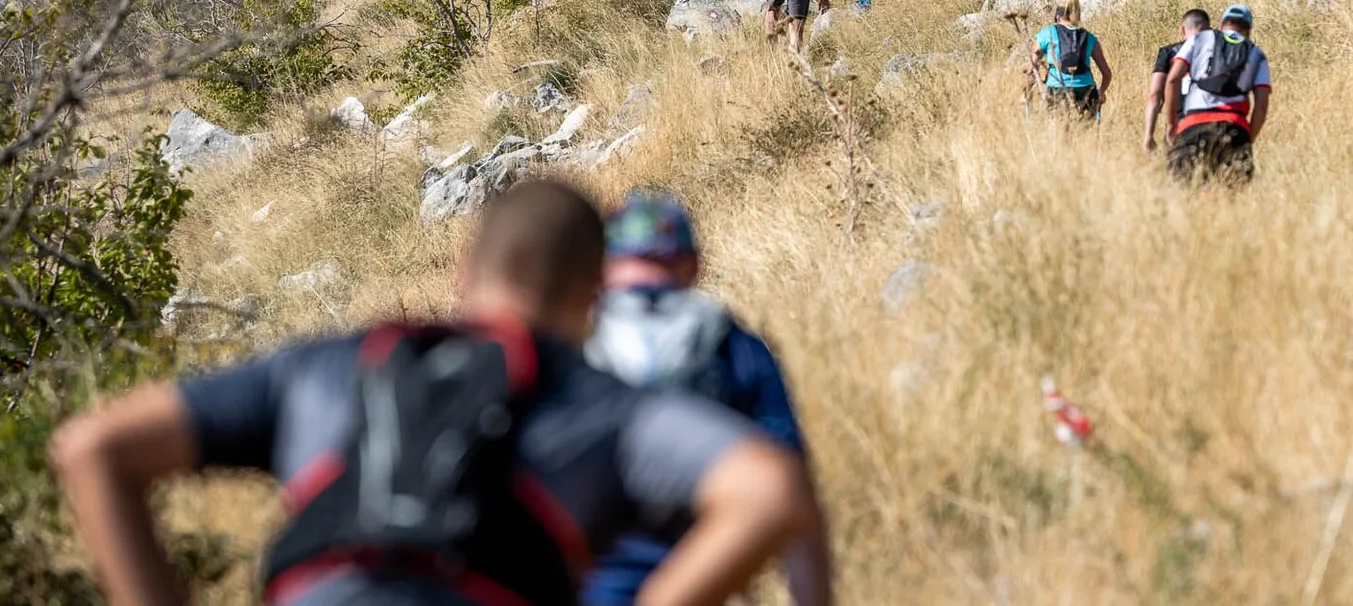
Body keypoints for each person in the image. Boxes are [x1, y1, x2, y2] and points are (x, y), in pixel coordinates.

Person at [49, 180, 820, 606]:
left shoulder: (323, 367)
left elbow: (92, 448)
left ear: (462, 268)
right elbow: (771, 491)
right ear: (592, 297)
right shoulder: (599, 406)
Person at [583, 194, 833, 606]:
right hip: (709, 574)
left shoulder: (572, 349)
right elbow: (793, 481)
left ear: (606, 270)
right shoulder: (729, 342)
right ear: (692, 264)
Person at [1163, 4, 1272, 183]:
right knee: (1232, 198)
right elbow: (1261, 104)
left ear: (1221, 25)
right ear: (1248, 30)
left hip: (1193, 126)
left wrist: (1170, 124)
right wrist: (1247, 138)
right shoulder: (1256, 52)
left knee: (1186, 195)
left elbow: (1173, 79)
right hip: (1234, 127)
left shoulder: (1198, 39)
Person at [1028, 0, 1113, 120]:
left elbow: (1031, 70)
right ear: (1078, 15)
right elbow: (1106, 73)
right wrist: (1101, 92)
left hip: (1057, 90)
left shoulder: (1047, 33)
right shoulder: (1089, 37)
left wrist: (1035, 90)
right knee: (1087, 136)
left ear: (1058, 16)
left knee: (1059, 136)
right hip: (1087, 91)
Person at [1144, 8, 1210, 153]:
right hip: (1216, 124)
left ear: (1183, 30)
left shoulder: (1169, 52)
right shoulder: (1220, 53)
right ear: (1210, 31)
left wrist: (1148, 135)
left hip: (1181, 124)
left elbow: (1155, 95)